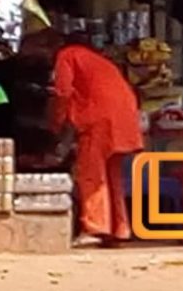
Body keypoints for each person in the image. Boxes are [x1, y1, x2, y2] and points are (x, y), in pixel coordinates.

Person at [51, 37, 144, 246]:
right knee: (112, 176)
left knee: (91, 175)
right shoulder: (98, 60)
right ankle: (119, 228)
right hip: (123, 116)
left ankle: (95, 227)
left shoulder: (66, 56)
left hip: (98, 118)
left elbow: (62, 92)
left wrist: (56, 123)